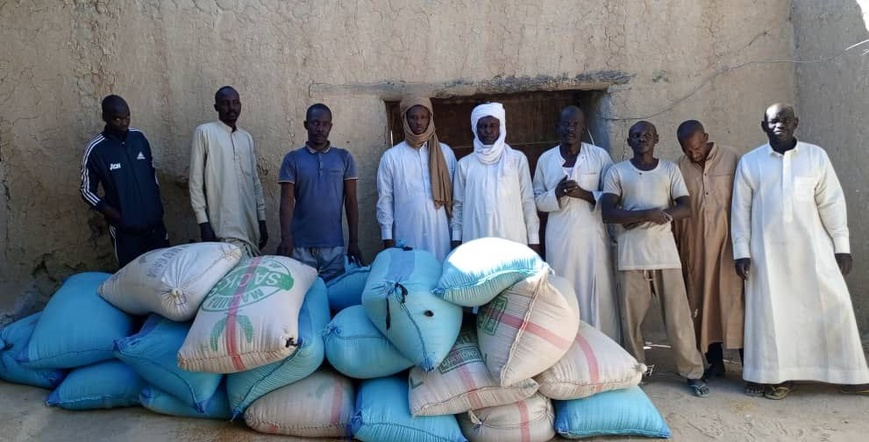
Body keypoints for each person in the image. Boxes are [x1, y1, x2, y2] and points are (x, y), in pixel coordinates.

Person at [732, 103, 869, 399]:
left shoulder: (815, 156)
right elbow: (740, 211)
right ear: (763, 126)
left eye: (785, 119)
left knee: (835, 305)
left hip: (814, 250)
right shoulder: (750, 162)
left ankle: (851, 375)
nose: (779, 124)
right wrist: (741, 251)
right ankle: (777, 377)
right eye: (773, 121)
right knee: (774, 317)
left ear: (796, 123)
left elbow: (832, 203)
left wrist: (841, 247)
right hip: (767, 256)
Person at [600, 121, 709, 397]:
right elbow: (609, 212)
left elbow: (686, 207)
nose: (642, 139)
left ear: (657, 138)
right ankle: (636, 374)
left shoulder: (669, 170)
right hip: (631, 258)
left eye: (647, 134)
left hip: (665, 256)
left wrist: (650, 215)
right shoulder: (618, 172)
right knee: (632, 322)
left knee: (678, 319)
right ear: (629, 140)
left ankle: (692, 372)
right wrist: (646, 215)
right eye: (636, 135)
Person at [533, 105, 620, 341]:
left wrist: (585, 194)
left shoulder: (599, 156)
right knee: (563, 289)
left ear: (583, 128)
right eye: (565, 124)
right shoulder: (546, 160)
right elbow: (537, 200)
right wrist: (556, 194)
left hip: (592, 236)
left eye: (575, 124)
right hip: (559, 237)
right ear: (558, 127)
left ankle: (603, 347)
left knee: (598, 292)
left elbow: (615, 194)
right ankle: (566, 345)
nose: (570, 128)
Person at [672, 120, 745, 381]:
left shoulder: (733, 158)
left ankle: (749, 364)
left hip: (729, 248)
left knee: (735, 304)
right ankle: (715, 363)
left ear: (706, 137)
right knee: (702, 303)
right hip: (696, 249)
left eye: (698, 147)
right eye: (688, 149)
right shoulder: (678, 167)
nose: (694, 154)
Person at [276, 103, 364, 281]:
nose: (320, 128)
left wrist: (353, 241)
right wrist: (286, 238)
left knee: (332, 299)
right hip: (300, 247)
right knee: (304, 298)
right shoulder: (292, 159)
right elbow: (287, 201)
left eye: (325, 124)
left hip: (334, 247)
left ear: (330, 126)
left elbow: (351, 201)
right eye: (315, 123)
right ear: (306, 124)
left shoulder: (344, 158)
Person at [80, 95, 169, 268]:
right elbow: (85, 190)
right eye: (118, 119)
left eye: (127, 117)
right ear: (105, 118)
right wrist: (112, 213)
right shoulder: (96, 149)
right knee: (133, 281)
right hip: (126, 234)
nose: (124, 123)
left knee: (164, 276)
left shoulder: (139, 138)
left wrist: (156, 206)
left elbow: (152, 173)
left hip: (156, 227)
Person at [189, 86, 267, 258]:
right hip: (222, 229)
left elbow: (255, 181)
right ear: (216, 107)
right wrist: (203, 223)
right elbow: (195, 182)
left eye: (235, 103)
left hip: (250, 227)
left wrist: (261, 220)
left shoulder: (246, 138)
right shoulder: (205, 133)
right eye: (225, 104)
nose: (231, 108)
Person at [451, 102, 540, 252]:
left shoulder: (517, 159)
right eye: (483, 126)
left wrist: (534, 240)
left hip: (512, 239)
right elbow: (458, 205)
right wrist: (456, 239)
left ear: (501, 127)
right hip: (475, 239)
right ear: (475, 129)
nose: (488, 131)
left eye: (493, 125)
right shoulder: (465, 164)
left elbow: (528, 201)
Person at [376, 95, 457, 261]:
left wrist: (457, 235)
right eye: (413, 117)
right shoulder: (391, 157)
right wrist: (387, 240)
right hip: (408, 232)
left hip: (440, 233)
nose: (418, 122)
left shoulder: (445, 153)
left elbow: (456, 198)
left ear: (430, 119)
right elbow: (385, 200)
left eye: (423, 117)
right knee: (411, 278)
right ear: (405, 120)